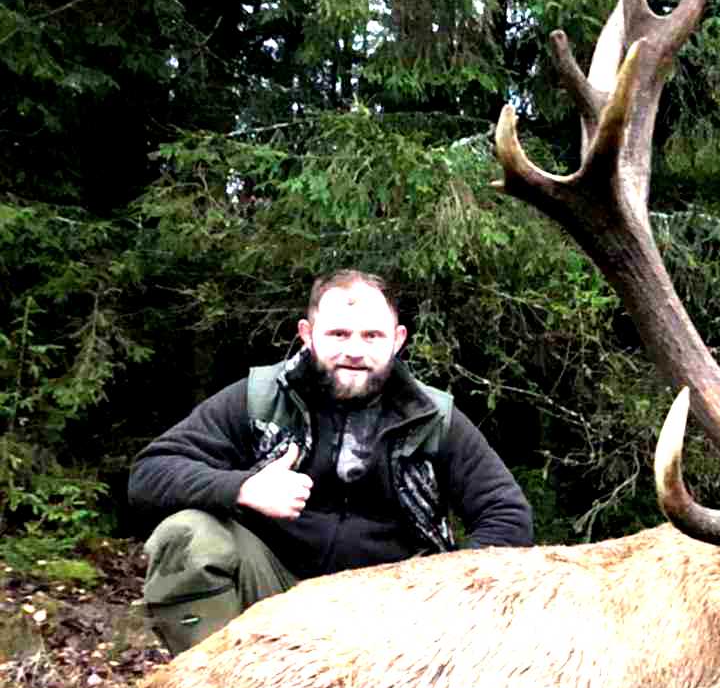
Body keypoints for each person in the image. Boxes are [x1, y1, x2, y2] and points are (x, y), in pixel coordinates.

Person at [130, 269, 534, 654]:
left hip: (395, 613)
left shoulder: (433, 418)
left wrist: (437, 588)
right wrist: (243, 488)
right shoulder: (260, 398)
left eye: (372, 336)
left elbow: (507, 513)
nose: (355, 351)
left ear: (397, 339)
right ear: (307, 335)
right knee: (188, 537)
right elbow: (151, 471)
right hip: (274, 595)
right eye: (338, 334)